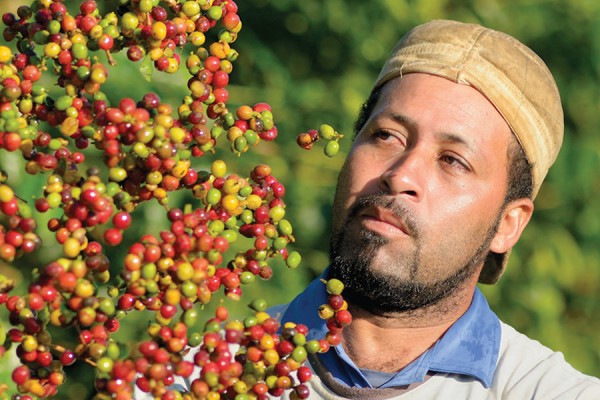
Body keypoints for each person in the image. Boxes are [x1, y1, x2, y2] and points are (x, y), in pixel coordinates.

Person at [270, 19, 600, 399]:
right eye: (387, 135)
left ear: (507, 225)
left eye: (453, 160)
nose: (401, 175)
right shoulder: (211, 367)